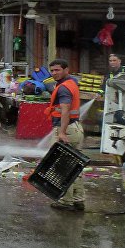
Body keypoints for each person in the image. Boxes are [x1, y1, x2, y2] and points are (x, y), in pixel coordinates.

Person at [45, 59, 85, 211]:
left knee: (62, 168)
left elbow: (65, 110)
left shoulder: (63, 88)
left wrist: (61, 132)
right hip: (76, 128)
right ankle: (78, 200)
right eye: (52, 70)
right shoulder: (72, 82)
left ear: (66, 70)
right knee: (76, 167)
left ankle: (66, 201)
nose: (54, 73)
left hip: (66, 130)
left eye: (57, 70)